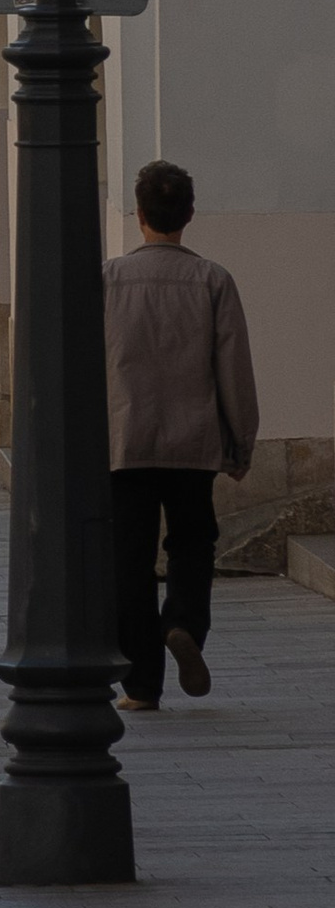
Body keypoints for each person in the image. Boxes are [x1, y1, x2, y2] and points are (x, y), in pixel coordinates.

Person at [105, 158, 260, 711]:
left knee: (129, 560)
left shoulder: (109, 280)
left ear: (139, 214)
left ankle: (141, 686)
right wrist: (240, 443)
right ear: (189, 215)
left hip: (126, 442)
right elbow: (233, 370)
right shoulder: (213, 280)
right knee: (193, 542)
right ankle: (185, 624)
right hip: (193, 444)